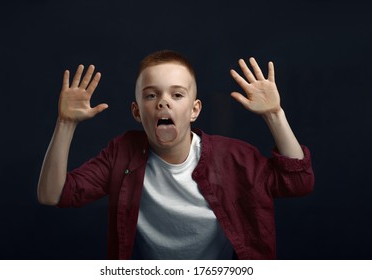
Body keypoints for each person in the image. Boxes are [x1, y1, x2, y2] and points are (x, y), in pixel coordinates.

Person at [37, 50, 314, 259]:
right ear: (136, 112)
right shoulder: (121, 153)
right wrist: (65, 123)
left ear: (194, 110)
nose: (163, 102)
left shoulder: (234, 157)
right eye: (151, 96)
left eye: (177, 95)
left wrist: (274, 114)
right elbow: (53, 194)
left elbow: (299, 183)